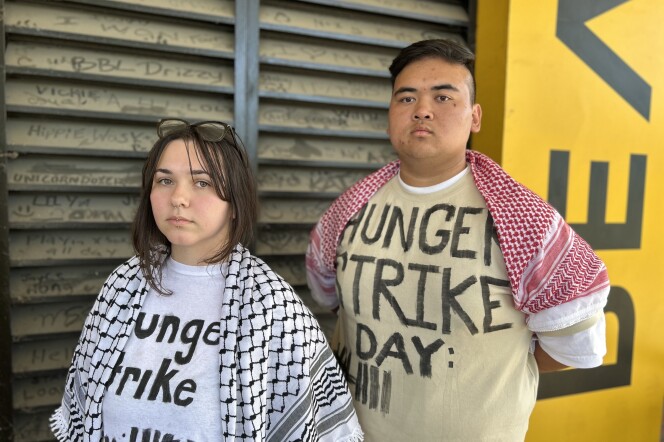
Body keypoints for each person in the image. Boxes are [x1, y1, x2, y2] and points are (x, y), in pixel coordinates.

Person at [306, 39, 610, 441]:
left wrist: (485, 377)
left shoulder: (524, 219)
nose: (423, 109)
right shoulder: (347, 211)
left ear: (475, 116)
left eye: (444, 96)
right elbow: (332, 303)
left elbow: (572, 347)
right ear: (389, 116)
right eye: (406, 97)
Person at [50, 119, 364, 442]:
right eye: (164, 180)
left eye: (202, 183)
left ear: (234, 203)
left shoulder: (273, 305)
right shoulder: (121, 286)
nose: (179, 198)